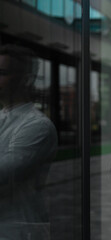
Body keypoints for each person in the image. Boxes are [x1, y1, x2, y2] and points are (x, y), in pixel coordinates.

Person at [0, 44, 58, 239]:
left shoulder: (37, 126)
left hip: (19, 229)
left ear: (26, 80)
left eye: (2, 73)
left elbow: (4, 172)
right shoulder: (3, 117)